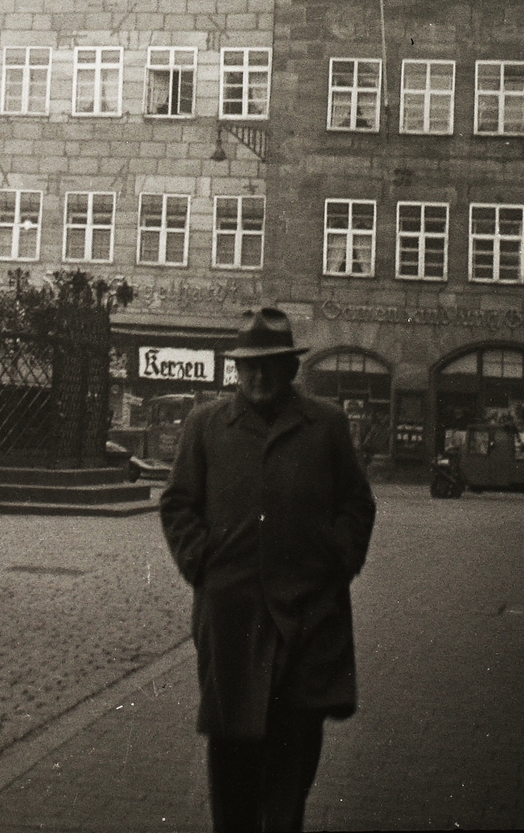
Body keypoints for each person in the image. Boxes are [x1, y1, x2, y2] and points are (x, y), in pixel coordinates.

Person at [160, 308, 376, 833]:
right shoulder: (207, 425)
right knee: (231, 757)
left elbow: (356, 504)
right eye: (248, 367)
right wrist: (201, 562)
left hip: (307, 618)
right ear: (236, 369)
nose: (258, 377)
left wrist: (336, 559)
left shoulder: (325, 424)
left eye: (270, 366)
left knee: (293, 759)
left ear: (290, 369)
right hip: (232, 618)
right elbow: (178, 503)